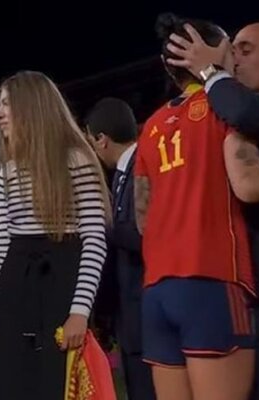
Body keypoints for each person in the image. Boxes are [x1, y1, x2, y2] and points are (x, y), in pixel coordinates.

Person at [133, 14, 259, 400]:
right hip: (222, 282)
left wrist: (211, 72)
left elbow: (144, 217)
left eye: (245, 50)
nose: (236, 59)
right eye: (232, 50)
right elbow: (247, 181)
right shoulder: (221, 109)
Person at [0, 70, 110, 400]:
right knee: (9, 384)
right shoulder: (8, 169)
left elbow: (94, 238)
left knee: (55, 383)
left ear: (30, 106)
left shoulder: (77, 159)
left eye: (6, 104)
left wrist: (80, 312)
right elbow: (4, 242)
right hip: (16, 282)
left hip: (61, 279)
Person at [84, 97, 154, 400]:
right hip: (131, 315)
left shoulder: (142, 166)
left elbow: (146, 234)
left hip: (145, 313)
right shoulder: (124, 173)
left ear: (102, 139)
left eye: (91, 142)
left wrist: (100, 225)